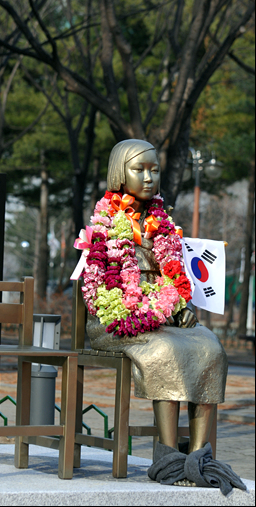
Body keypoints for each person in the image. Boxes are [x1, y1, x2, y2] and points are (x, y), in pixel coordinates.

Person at [81, 139, 234, 488]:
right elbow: (102, 288)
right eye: (140, 169)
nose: (149, 177)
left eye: (154, 169)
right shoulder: (105, 223)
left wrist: (179, 305)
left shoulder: (163, 222)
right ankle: (168, 457)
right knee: (167, 352)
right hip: (117, 319)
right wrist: (145, 309)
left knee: (210, 348)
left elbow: (175, 277)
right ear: (121, 172)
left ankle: (199, 458)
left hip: (162, 316)